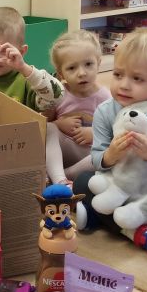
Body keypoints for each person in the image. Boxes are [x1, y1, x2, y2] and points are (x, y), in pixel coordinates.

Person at [72, 28, 147, 264]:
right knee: (82, 182)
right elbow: (97, 158)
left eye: (137, 79)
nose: (124, 85)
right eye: (118, 74)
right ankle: (141, 233)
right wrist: (111, 154)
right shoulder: (106, 111)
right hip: (116, 184)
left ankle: (99, 216)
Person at [44, 30, 110, 186]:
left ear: (98, 64)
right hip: (62, 152)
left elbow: (116, 131)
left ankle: (64, 176)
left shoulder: (105, 98)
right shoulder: (58, 94)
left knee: (109, 155)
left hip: (89, 156)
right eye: (72, 68)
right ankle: (59, 179)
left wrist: (95, 133)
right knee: (48, 128)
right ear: (61, 74)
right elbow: (42, 125)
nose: (81, 73)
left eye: (88, 64)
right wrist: (58, 124)